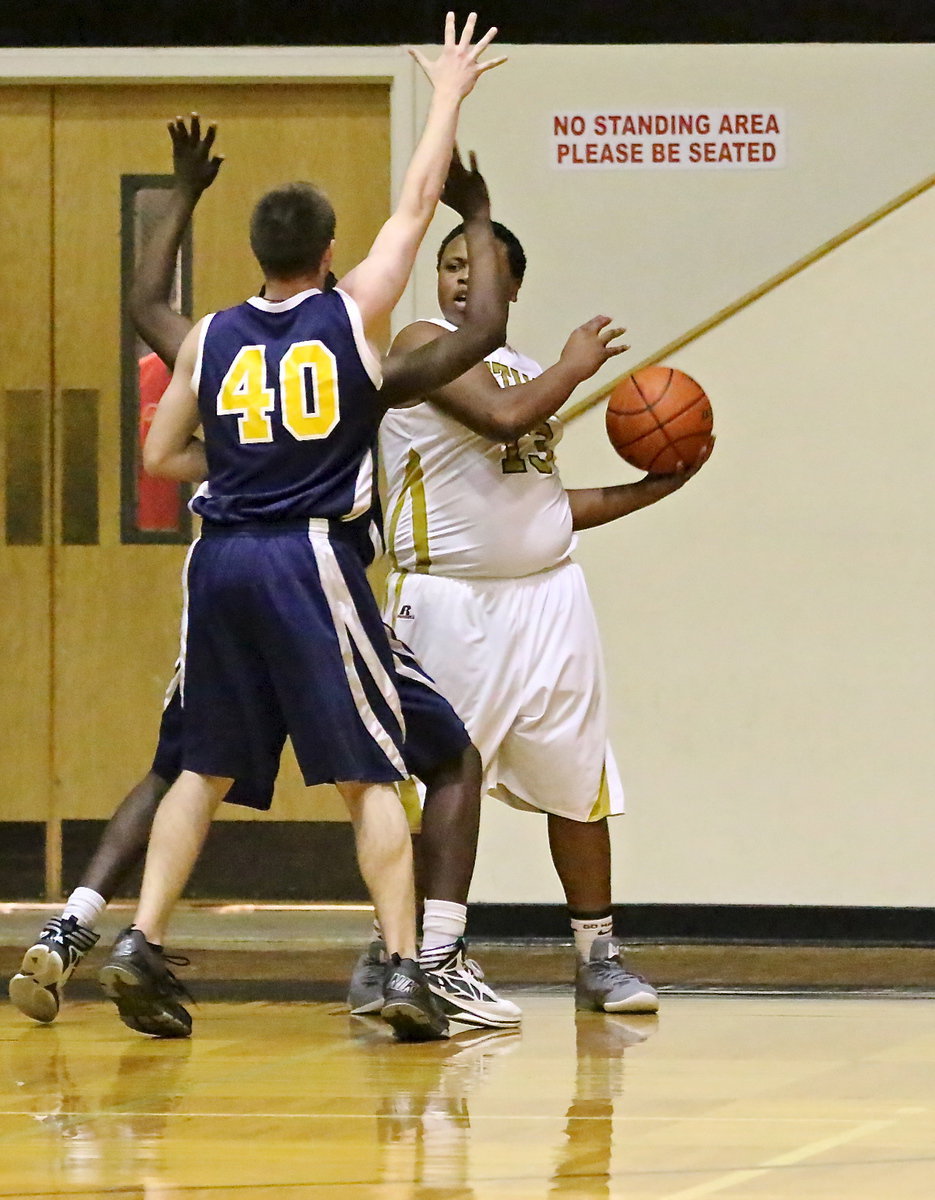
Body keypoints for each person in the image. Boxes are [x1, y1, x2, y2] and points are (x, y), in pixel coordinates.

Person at [95, 16, 503, 1044]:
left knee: (203, 765)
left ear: (255, 253)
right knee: (370, 765)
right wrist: (448, 90)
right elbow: (416, 204)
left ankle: (140, 938)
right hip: (308, 557)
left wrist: (236, 468)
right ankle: (406, 967)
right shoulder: (353, 311)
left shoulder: (210, 338)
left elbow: (160, 457)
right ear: (327, 254)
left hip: (218, 556)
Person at [349, 218, 710, 1016]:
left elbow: (543, 506)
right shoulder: (422, 341)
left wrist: (653, 489)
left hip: (549, 597)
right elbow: (504, 419)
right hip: (447, 600)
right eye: (449, 266)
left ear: (512, 288)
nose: (462, 281)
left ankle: (597, 956)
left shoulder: (517, 370)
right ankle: (402, 956)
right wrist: (576, 368)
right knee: (434, 784)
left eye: (478, 268)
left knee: (578, 781)